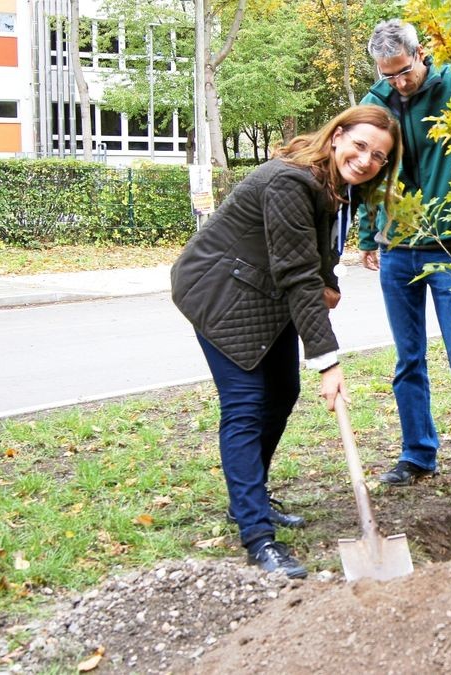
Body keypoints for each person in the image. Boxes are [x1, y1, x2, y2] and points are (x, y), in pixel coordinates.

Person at [171, 105, 401, 578]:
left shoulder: (331, 185)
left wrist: (328, 280)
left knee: (281, 392)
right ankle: (257, 537)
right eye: (360, 145)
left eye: (378, 156)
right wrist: (328, 362)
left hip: (260, 292)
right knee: (245, 405)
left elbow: (310, 254)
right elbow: (297, 275)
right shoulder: (290, 181)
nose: (366, 160)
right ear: (337, 136)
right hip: (220, 293)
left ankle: (247, 496)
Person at [357, 19, 451, 503]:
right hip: (397, 248)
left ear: (420, 54)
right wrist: (367, 235)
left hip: (450, 246)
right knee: (408, 358)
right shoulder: (375, 102)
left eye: (403, 72)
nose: (398, 82)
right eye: (389, 74)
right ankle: (418, 453)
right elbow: (369, 173)